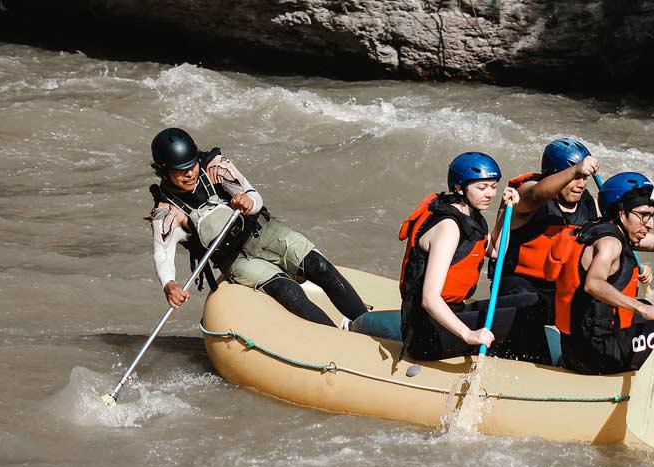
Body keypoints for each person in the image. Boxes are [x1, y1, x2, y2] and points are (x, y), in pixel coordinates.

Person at [147, 127, 368, 327]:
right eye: (180, 170)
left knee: (319, 266)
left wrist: (248, 203)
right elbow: (163, 254)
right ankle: (335, 339)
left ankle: (364, 322)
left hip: (263, 231)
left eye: (191, 165)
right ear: (164, 172)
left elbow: (254, 195)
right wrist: (170, 285)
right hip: (237, 260)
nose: (189, 173)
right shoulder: (167, 212)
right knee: (288, 291)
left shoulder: (216, 167)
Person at [545, 172, 654, 375]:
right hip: (600, 355)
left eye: (652, 215)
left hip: (574, 349)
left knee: (645, 307)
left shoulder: (595, 231)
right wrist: (643, 310)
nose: (650, 224)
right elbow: (593, 283)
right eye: (643, 215)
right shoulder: (610, 244)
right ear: (621, 213)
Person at [397, 152, 533, 361]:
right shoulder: (449, 227)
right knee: (524, 319)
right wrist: (469, 335)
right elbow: (429, 299)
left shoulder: (471, 217)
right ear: (459, 187)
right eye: (481, 187)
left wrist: (506, 208)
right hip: (428, 331)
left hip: (455, 311)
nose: (489, 194)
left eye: (493, 186)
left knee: (531, 301)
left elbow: (497, 251)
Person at [494, 138, 603, 362]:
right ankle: (536, 362)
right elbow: (535, 195)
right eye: (575, 177)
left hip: (558, 289)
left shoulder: (588, 203)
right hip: (519, 285)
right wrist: (575, 169)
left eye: (584, 178)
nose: (580, 183)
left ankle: (585, 360)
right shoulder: (525, 194)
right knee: (530, 303)